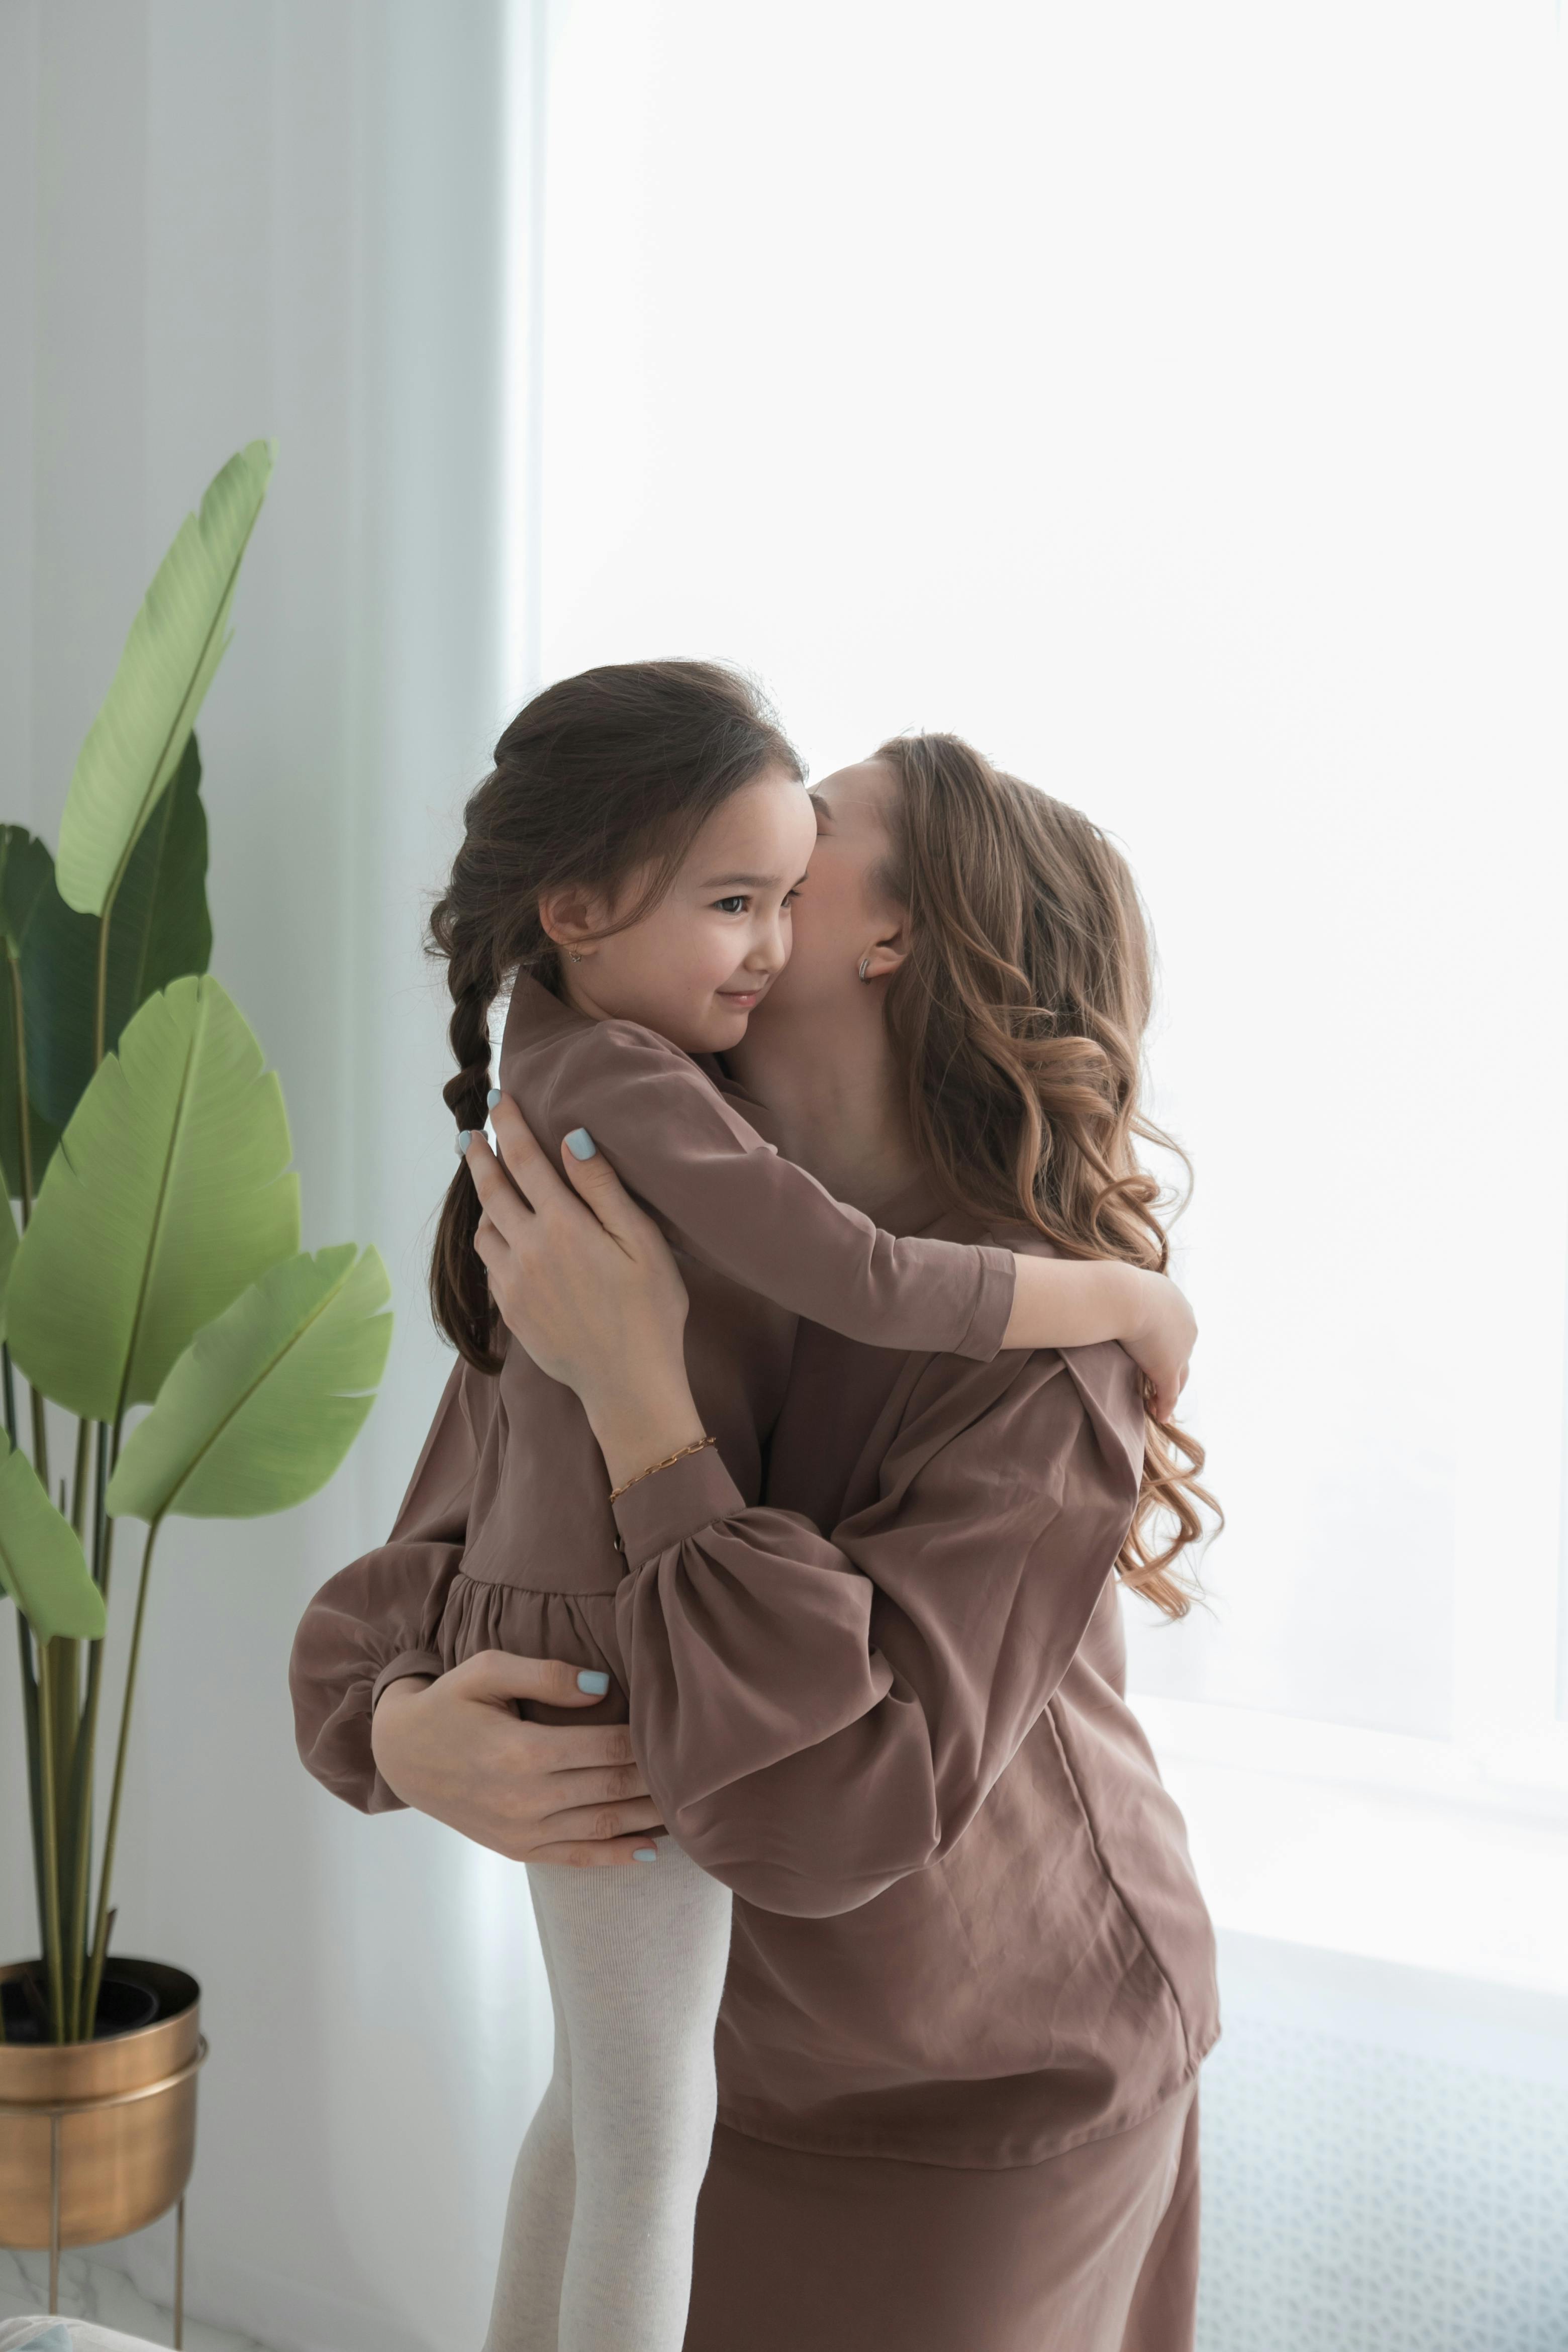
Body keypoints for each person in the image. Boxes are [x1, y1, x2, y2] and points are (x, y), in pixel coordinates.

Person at [288, 665, 1200, 2352]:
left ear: (894, 941)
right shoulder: (626, 1214)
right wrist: (405, 1732)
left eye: (818, 835)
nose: (760, 855)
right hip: (706, 2077)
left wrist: (649, 1412)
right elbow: (439, 1572)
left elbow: (837, 1805)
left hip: (987, 2103)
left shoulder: (1037, 1348)